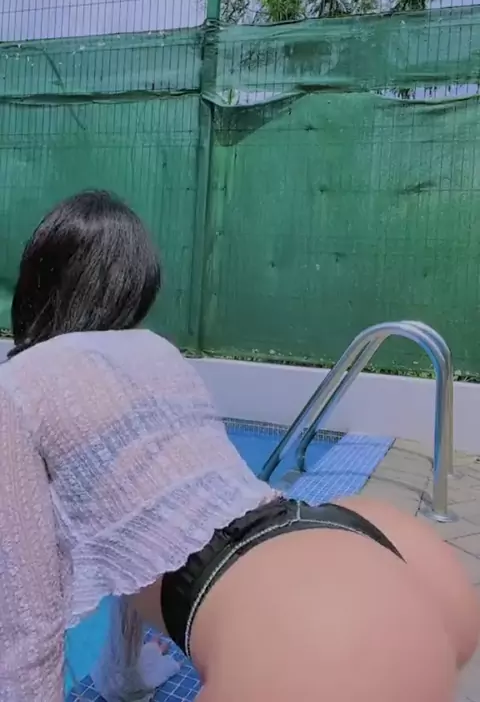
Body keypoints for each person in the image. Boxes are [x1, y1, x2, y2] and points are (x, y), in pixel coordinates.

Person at [0, 189, 477, 702]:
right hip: (384, 549)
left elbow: (29, 628)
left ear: (36, 277)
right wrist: (125, 675)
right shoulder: (159, 352)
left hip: (301, 640)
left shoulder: (17, 389)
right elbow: (140, 536)